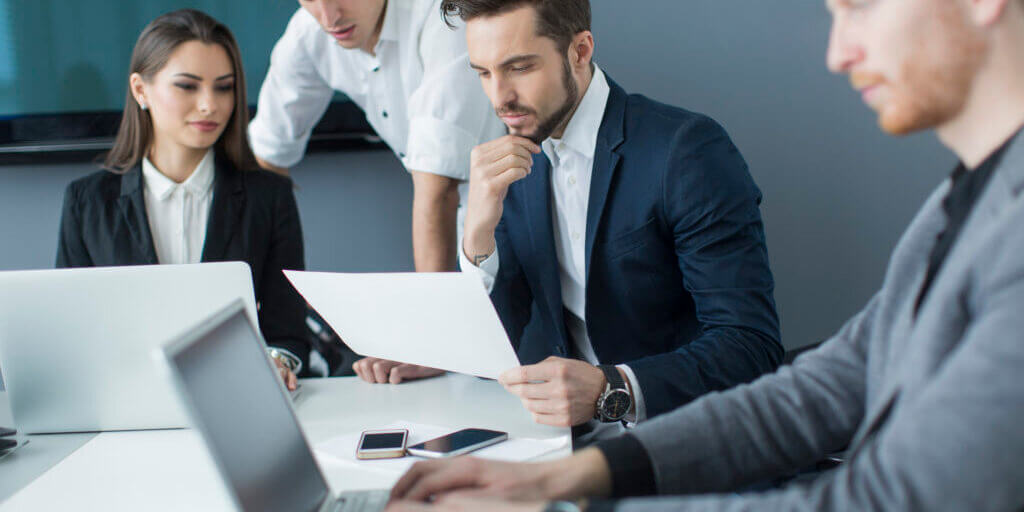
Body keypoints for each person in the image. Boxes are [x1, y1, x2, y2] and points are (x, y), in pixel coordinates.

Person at [384, 0, 1024, 509]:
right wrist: (560, 481)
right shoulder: (957, 205)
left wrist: (565, 489)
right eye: (484, 74)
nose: (837, 52)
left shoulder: (683, 150)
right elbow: (832, 383)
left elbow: (891, 496)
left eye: (860, 6)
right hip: (577, 446)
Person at [363, 0, 782, 435]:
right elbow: (499, 336)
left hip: (686, 441)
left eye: (520, 68)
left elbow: (749, 344)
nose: (498, 97)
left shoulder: (685, 151)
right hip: (566, 443)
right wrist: (476, 238)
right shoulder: (513, 159)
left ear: (580, 51)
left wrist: (611, 388)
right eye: (483, 73)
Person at [56, 9, 308, 390]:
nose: (210, 105)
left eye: (224, 87)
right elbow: (72, 335)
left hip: (236, 399)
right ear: (141, 90)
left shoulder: (269, 197)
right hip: (125, 408)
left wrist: (275, 363)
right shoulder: (86, 202)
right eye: (188, 86)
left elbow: (287, 333)